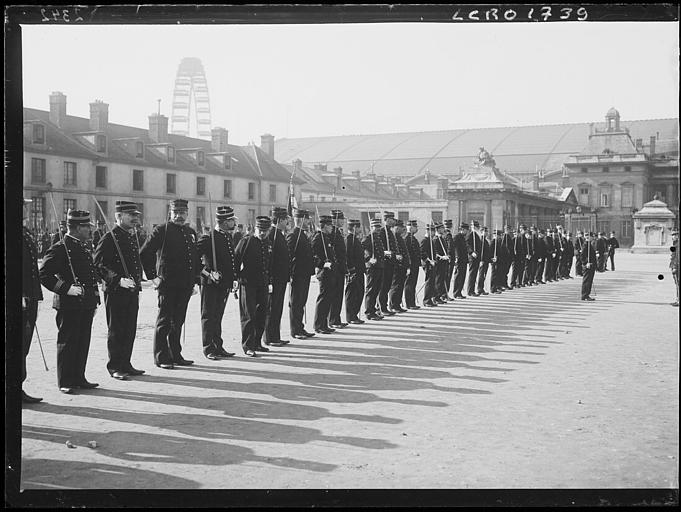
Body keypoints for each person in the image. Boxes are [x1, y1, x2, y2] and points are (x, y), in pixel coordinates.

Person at [39, 209, 101, 394]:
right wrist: (66, 289)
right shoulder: (60, 247)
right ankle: (65, 380)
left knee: (83, 341)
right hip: (69, 304)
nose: (90, 231)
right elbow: (44, 274)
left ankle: (79, 377)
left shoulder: (83, 246)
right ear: (76, 228)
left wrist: (95, 299)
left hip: (86, 303)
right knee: (68, 341)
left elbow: (91, 275)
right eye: (86, 227)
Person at [140, 199, 200, 369]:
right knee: (165, 321)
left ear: (187, 214)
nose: (179, 216)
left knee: (178, 320)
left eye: (183, 213)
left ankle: (175, 354)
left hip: (185, 285)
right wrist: (153, 276)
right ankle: (161, 356)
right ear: (170, 213)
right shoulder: (162, 231)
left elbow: (193, 258)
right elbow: (145, 252)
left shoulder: (190, 232)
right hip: (168, 283)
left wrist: (194, 281)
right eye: (176, 213)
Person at [93, 200, 146, 380]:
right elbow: (98, 264)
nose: (134, 218)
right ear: (119, 216)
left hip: (131, 291)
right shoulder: (109, 237)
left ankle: (126, 363)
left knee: (129, 328)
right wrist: (117, 279)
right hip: (116, 291)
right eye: (131, 215)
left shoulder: (131, 236)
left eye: (136, 215)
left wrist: (137, 281)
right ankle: (115, 366)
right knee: (116, 329)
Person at [196, 205, 238, 360]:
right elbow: (194, 257)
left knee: (218, 315)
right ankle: (208, 348)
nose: (234, 222)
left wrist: (233, 279)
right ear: (224, 222)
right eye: (231, 220)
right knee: (208, 315)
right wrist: (207, 272)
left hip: (223, 284)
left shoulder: (227, 237)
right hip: (210, 283)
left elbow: (230, 262)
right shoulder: (209, 238)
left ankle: (217, 345)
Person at [234, 216, 273, 356]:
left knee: (262, 313)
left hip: (262, 283)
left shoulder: (268, 242)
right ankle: (248, 345)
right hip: (248, 282)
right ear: (255, 229)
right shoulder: (246, 241)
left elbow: (270, 263)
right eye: (260, 230)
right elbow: (236, 259)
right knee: (248, 315)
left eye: (265, 230)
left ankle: (257, 342)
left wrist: (270, 282)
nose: (262, 233)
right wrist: (236, 278)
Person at [22, 199, 44, 403]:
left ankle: (17, 386)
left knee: (24, 343)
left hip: (30, 296)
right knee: (15, 343)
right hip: (19, 298)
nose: (27, 209)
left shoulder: (24, 232)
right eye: (22, 205)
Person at [287, 209, 316, 340]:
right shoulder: (294, 235)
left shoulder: (303, 234)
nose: (309, 222)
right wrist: (291, 272)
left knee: (301, 301)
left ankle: (300, 327)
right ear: (300, 220)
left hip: (304, 274)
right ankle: (295, 330)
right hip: (298, 274)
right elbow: (289, 255)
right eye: (307, 219)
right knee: (296, 302)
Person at [264, 207, 291, 346]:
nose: (287, 221)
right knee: (272, 308)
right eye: (285, 219)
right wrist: (270, 279)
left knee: (277, 307)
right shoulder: (272, 234)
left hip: (281, 278)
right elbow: (270, 259)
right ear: (279, 220)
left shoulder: (279, 234)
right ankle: (270, 337)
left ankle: (276, 335)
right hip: (275, 279)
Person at [311, 215, 338, 333]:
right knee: (323, 298)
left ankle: (324, 324)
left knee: (328, 298)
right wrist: (322, 264)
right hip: (324, 272)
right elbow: (313, 255)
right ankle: (318, 325)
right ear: (325, 226)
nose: (332, 227)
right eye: (330, 225)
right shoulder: (318, 237)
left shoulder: (325, 237)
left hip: (330, 272)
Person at [328, 209, 348, 329]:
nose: (343, 221)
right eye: (341, 219)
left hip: (340, 268)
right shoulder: (332, 233)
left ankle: (336, 318)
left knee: (338, 295)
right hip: (335, 268)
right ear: (335, 220)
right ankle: (333, 319)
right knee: (334, 295)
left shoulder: (338, 232)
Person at [362, 217, 385, 318]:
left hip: (379, 266)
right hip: (372, 267)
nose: (378, 229)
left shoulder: (378, 238)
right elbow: (362, 248)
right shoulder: (368, 238)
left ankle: (373, 310)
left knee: (376, 289)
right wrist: (368, 259)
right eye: (376, 227)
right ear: (371, 227)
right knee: (371, 290)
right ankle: (369, 312)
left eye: (379, 227)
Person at [344, 219, 366, 324]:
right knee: (352, 294)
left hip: (360, 270)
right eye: (358, 227)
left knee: (359, 293)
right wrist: (351, 270)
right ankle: (350, 316)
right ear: (354, 228)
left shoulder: (355, 239)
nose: (360, 229)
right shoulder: (349, 239)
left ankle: (354, 314)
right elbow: (348, 256)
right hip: (354, 271)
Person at [377, 211, 399, 315]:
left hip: (391, 263)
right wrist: (385, 252)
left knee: (387, 286)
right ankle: (381, 307)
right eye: (391, 219)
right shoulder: (382, 231)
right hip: (385, 263)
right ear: (387, 220)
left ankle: (384, 306)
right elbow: (378, 247)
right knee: (383, 286)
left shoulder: (390, 232)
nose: (393, 221)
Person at [389, 219, 410, 312]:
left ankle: (397, 304)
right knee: (396, 286)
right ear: (396, 228)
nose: (402, 229)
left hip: (403, 265)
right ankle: (393, 305)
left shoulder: (399, 237)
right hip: (397, 265)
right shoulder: (394, 237)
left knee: (400, 285)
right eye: (401, 227)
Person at [420, 223, 440, 307]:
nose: (433, 233)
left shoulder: (431, 240)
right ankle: (426, 300)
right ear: (427, 231)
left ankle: (431, 299)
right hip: (428, 264)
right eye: (431, 231)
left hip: (433, 263)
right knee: (429, 282)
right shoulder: (425, 240)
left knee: (432, 282)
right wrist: (428, 260)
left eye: (434, 231)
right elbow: (422, 252)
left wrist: (434, 260)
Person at [403, 220, 421, 309]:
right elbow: (407, 255)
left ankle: (412, 303)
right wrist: (408, 267)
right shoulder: (407, 239)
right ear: (411, 228)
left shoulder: (413, 238)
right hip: (411, 265)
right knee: (409, 284)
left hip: (415, 265)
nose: (417, 229)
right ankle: (409, 303)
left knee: (413, 284)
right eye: (415, 227)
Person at [451, 222, 469, 298]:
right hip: (459, 260)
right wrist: (456, 257)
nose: (467, 231)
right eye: (466, 230)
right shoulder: (457, 237)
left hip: (464, 260)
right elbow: (454, 248)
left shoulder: (463, 237)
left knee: (462, 276)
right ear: (462, 229)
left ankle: (459, 292)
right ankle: (456, 293)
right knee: (458, 276)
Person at [580, 231, 598, 301]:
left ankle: (587, 294)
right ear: (588, 237)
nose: (593, 238)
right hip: (588, 266)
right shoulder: (585, 245)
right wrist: (585, 263)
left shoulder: (589, 244)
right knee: (586, 281)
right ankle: (585, 295)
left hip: (591, 265)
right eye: (591, 236)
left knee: (589, 281)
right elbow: (582, 256)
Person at [466, 221, 482, 296]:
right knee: (472, 274)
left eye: (476, 226)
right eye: (475, 226)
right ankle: (470, 291)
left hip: (477, 257)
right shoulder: (471, 235)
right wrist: (471, 252)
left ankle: (472, 290)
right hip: (472, 257)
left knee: (474, 274)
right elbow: (467, 244)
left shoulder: (477, 234)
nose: (476, 228)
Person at [489, 229, 507, 294]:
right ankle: (493, 289)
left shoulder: (498, 242)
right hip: (494, 261)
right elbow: (490, 252)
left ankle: (497, 286)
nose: (499, 237)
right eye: (498, 235)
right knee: (494, 275)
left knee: (498, 274)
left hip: (499, 261)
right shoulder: (493, 242)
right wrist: (492, 258)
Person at [476, 227, 492, 295]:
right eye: (485, 232)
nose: (487, 233)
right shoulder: (481, 240)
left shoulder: (485, 240)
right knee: (481, 275)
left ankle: (481, 288)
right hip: (483, 261)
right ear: (482, 232)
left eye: (487, 232)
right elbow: (480, 252)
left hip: (486, 261)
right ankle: (480, 289)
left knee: (484, 275)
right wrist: (481, 260)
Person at [670, 228, 679, 307]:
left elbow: (677, 257)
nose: (672, 236)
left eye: (674, 235)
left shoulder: (678, 245)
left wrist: (674, 267)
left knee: (678, 284)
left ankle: (678, 300)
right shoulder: (675, 244)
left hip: (677, 267)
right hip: (675, 266)